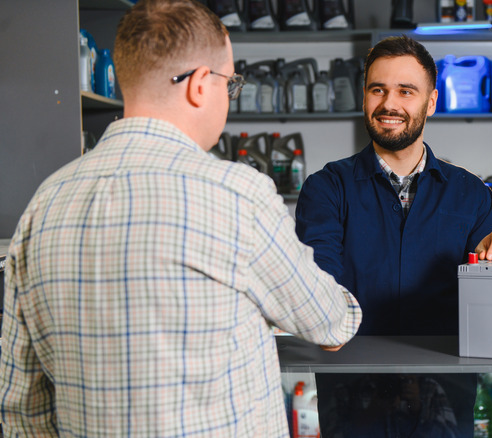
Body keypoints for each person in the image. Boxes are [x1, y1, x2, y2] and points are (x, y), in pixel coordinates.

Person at [0, 1, 361, 436]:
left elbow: (22, 408)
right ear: (198, 85)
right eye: (230, 84)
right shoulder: (236, 194)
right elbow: (329, 324)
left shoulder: (44, 205)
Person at [295, 35, 492, 437]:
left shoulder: (469, 193)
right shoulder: (326, 189)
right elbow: (320, 290)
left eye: (406, 91)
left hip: (445, 399)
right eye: (378, 90)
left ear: (431, 101)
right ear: (364, 97)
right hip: (353, 400)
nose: (390, 104)